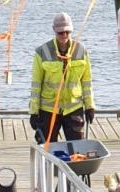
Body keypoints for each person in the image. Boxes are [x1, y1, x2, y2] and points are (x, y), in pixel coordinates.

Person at [29, 12, 95, 143]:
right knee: (47, 149)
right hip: (48, 110)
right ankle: (50, 164)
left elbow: (87, 83)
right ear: (54, 30)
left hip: (73, 108)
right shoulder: (42, 52)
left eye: (67, 31)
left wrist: (90, 106)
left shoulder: (81, 51)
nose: (64, 35)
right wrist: (34, 112)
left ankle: (73, 164)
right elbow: (36, 85)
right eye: (60, 32)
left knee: (78, 150)